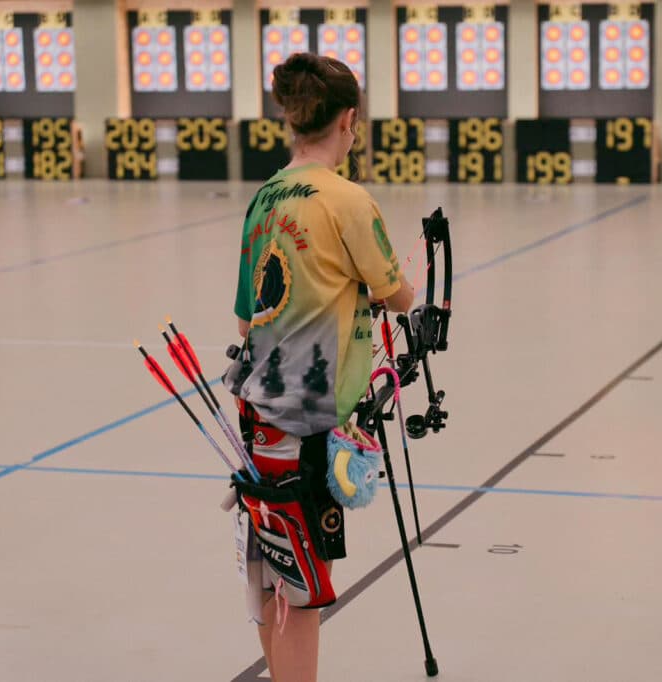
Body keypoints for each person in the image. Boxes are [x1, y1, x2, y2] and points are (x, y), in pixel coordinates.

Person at [232, 52, 414, 682]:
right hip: (310, 428)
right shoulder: (348, 200)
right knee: (305, 590)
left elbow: (243, 320)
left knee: (268, 575)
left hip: (257, 421)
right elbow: (399, 294)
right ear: (349, 122)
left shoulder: (265, 198)